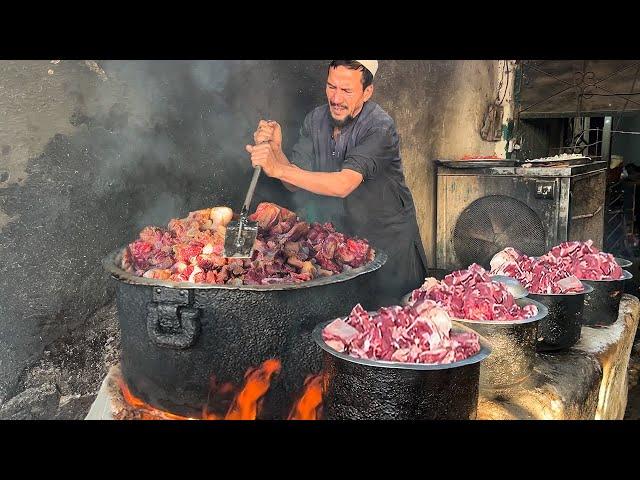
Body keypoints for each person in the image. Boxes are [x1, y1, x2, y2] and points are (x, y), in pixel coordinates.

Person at [245, 60, 427, 305]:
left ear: (367, 92)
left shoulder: (380, 127)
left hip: (390, 251)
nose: (336, 98)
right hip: (341, 249)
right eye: (331, 87)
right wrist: (276, 151)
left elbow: (344, 184)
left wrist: (278, 167)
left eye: (347, 91)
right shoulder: (315, 120)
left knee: (393, 328)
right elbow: (294, 181)